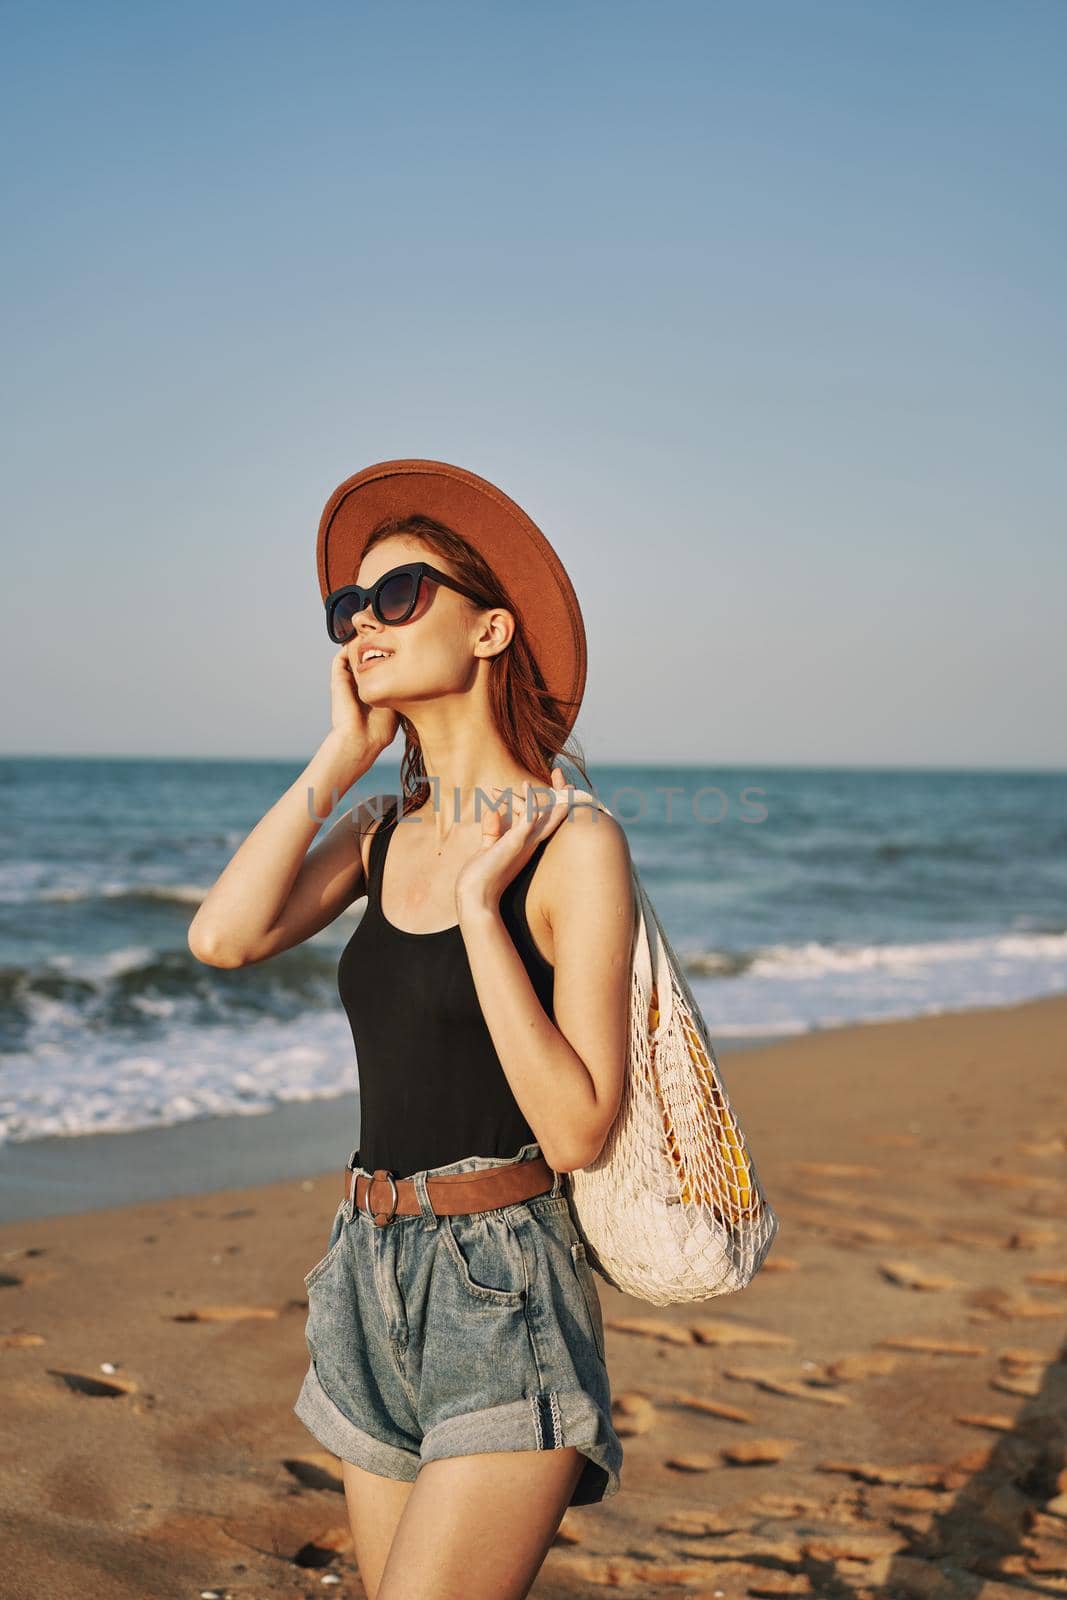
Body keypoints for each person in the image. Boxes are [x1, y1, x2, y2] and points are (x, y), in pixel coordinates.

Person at [188, 460, 635, 1600]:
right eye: (349, 609)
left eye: (397, 598)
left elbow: (578, 1129)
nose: (360, 626)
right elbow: (221, 939)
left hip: (502, 1284)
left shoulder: (572, 846)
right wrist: (339, 755)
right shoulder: (380, 833)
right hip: (362, 1270)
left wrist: (483, 911)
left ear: (490, 630)